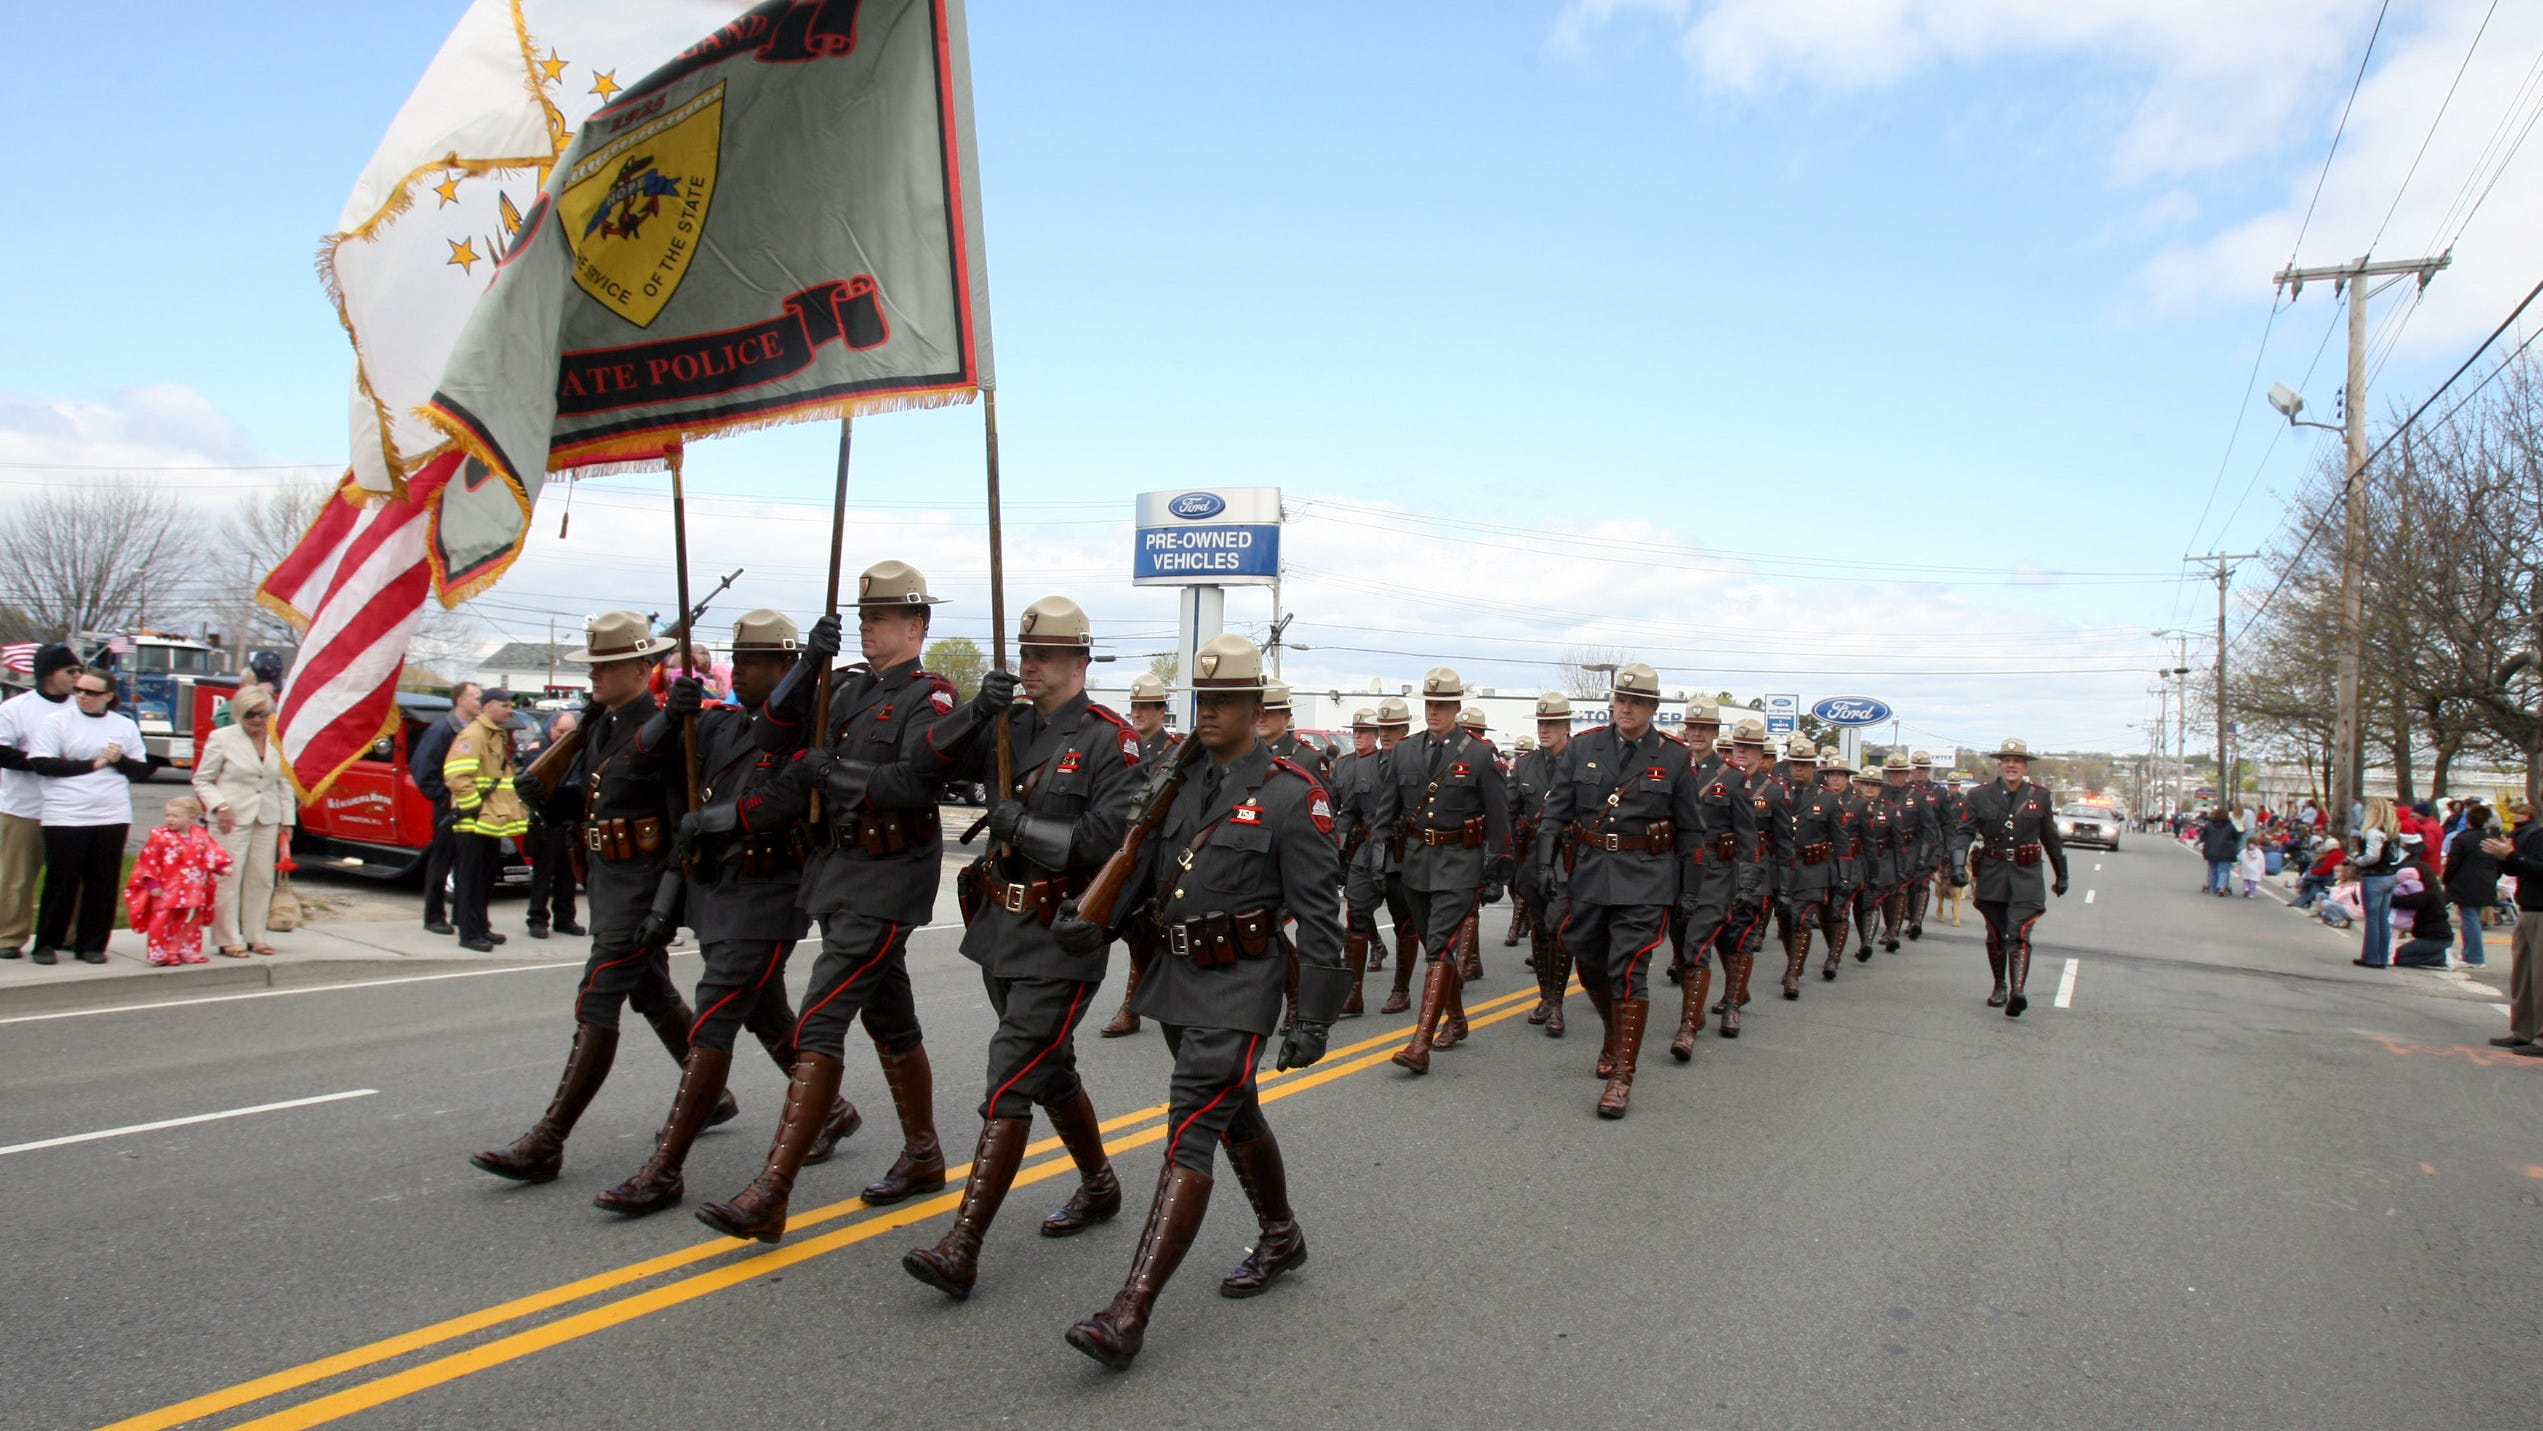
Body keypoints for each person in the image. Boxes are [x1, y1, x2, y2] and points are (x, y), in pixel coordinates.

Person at [1049, 633, 1346, 1371]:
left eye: (1221, 701)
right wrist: (1094, 922)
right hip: (1178, 982)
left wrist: (1311, 1016)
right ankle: (1281, 1234)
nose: (1206, 712)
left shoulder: (1289, 794)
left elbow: (1319, 917)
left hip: (1241, 987)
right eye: (1200, 701)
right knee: (1233, 1107)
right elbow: (1143, 875)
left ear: (1254, 707)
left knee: (1189, 1129)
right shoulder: (1176, 782)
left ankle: (1130, 1309)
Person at [695, 563, 1016, 1242]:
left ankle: (771, 1191)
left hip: (887, 876)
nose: (866, 626)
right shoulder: (840, 688)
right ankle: (924, 1153)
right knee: (889, 1017)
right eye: (862, 616)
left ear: (915, 625)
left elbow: (911, 780)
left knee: (818, 1020)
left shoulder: (928, 697)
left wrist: (834, 773)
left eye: (879, 617)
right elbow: (772, 734)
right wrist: (808, 662)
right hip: (837, 872)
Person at [902, 596, 1141, 1300]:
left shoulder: (1109, 739)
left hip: (1063, 933)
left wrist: (1022, 823)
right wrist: (977, 708)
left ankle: (962, 1243)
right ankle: (1098, 1183)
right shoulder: (1005, 725)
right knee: (1050, 1066)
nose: (1027, 665)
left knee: (1010, 1072)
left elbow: (1108, 843)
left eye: (1039, 656)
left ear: (1077, 660)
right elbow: (923, 762)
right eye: (1024, 654)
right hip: (1002, 926)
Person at [592, 609, 863, 1218]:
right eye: (736, 660)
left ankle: (666, 1167)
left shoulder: (807, 729)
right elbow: (631, 771)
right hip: (717, 892)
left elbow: (780, 796)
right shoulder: (717, 727)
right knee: (766, 1014)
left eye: (753, 661)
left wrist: (815, 662)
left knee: (710, 1022)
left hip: (767, 895)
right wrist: (671, 714)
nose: (736, 671)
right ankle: (835, 1111)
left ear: (785, 666)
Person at [473, 615, 731, 1187]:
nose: (595, 677)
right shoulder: (600, 725)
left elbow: (679, 821)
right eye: (593, 666)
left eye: (606, 667)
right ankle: (713, 1097)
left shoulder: (666, 728)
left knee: (597, 998)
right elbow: (595, 803)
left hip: (641, 891)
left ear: (643, 670)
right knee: (655, 997)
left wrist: (667, 901)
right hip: (607, 883)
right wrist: (547, 800)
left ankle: (549, 1139)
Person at [1533, 663, 1705, 1115]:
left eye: (1636, 702)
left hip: (1646, 877)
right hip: (1589, 873)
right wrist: (1546, 862)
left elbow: (1691, 830)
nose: (1626, 709)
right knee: (1589, 963)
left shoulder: (1673, 756)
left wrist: (1690, 889)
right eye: (1621, 701)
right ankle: (1613, 1034)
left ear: (1651, 708)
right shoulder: (1585, 747)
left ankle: (1622, 1078)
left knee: (1629, 971)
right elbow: (1556, 811)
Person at [1378, 666, 1512, 1074]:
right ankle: (1456, 1019)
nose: (1434, 711)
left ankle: (1420, 1044)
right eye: (1429, 704)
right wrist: (1376, 857)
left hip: (1460, 862)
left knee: (1438, 945)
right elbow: (1388, 809)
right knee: (1434, 947)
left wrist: (1496, 867)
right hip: (1416, 861)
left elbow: (1498, 815)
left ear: (1456, 707)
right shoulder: (1405, 749)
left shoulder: (1477, 753)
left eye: (1441, 705)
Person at [24, 671, 150, 964]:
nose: (82, 695)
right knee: (61, 880)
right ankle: (47, 943)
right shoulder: (58, 722)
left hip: (111, 813)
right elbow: (43, 763)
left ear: (108, 697)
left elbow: (141, 771)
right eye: (79, 690)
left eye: (91, 692)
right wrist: (95, 764)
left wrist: (119, 761)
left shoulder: (124, 725)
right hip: (65, 813)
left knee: (102, 882)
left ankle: (91, 944)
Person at [1947, 737, 2069, 1016]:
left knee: (2020, 931)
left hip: (2027, 874)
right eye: (2006, 761)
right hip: (1993, 872)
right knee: (1996, 932)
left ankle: (2017, 991)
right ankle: (2000, 984)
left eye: (2017, 761)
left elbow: (2051, 838)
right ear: (2000, 766)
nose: (2011, 765)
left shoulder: (2039, 796)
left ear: (2026, 766)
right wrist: (1957, 865)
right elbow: (1964, 831)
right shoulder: (1979, 795)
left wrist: (2062, 874)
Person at [1099, 671, 1181, 1038]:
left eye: (1146, 707)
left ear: (1162, 711)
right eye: (1134, 707)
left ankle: (1137, 1007)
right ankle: (1137, 1006)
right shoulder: (1124, 746)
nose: (1138, 713)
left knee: (1155, 929)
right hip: (1128, 850)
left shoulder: (1176, 750)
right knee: (1134, 928)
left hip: (1161, 852)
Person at [192, 684, 297, 958]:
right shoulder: (222, 738)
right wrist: (219, 806)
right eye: (251, 714)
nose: (257, 720)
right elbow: (202, 779)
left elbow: (284, 782)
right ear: (240, 714)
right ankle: (228, 938)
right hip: (231, 818)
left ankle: (256, 934)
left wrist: (288, 821)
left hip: (267, 815)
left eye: (263, 715)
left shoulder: (278, 740)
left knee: (262, 878)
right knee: (229, 878)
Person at [0, 643, 81, 959]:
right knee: (17, 878)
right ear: (49, 674)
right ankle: (8, 936)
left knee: (69, 878)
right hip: (23, 807)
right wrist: (45, 762)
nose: (78, 677)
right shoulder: (16, 709)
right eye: (71, 671)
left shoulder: (82, 707)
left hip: (70, 810)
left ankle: (68, 934)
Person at [442, 689, 528, 953]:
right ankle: (469, 933)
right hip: (473, 822)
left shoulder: (496, 734)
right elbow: (456, 776)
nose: (510, 709)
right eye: (504, 705)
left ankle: (481, 927)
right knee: (470, 880)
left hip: (490, 821)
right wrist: (474, 808)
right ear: (488, 707)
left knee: (485, 878)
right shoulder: (473, 734)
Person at [1509, 693, 1571, 1034]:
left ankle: (1558, 1003)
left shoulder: (1580, 761)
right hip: (1532, 853)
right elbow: (1511, 808)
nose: (1544, 729)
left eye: (1551, 724)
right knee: (1539, 927)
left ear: (1566, 726)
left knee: (1559, 924)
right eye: (1541, 724)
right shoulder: (1526, 764)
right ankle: (1545, 995)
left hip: (1566, 855)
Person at [411, 681, 483, 936]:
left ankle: (462, 915)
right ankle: (434, 916)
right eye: (475, 697)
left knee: (466, 864)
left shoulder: (475, 731)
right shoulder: (441, 730)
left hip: (469, 807)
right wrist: (443, 798)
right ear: (460, 700)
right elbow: (422, 768)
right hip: (449, 808)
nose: (479, 702)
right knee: (441, 861)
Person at [124, 796, 230, 966]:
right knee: (163, 920)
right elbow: (148, 861)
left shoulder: (200, 835)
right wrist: (152, 884)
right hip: (167, 888)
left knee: (191, 919)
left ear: (191, 818)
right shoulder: (160, 837)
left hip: (193, 887)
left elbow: (210, 854)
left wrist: (221, 867)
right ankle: (161, 952)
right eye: (168, 815)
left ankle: (186, 950)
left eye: (175, 816)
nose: (170, 820)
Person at [2481, 805, 2543, 1056]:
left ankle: (2539, 1036)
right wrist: (2505, 857)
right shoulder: (2536, 835)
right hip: (2529, 907)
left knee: (2540, 978)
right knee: (2524, 976)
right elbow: (2521, 869)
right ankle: (2523, 1031)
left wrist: (2513, 857)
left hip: (2539, 910)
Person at [523, 710, 585, 939]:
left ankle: (564, 918)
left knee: (568, 875)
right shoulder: (538, 750)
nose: (563, 736)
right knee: (543, 875)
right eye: (560, 731)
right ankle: (537, 919)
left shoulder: (576, 752)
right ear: (550, 729)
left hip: (569, 822)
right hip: (545, 823)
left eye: (568, 732)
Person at [2442, 800, 2502, 968]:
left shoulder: (2462, 839)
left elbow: (2453, 863)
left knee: (2469, 919)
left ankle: (2474, 956)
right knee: (2472, 917)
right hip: (2486, 882)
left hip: (2465, 882)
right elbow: (2500, 864)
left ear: (2468, 819)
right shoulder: (2491, 840)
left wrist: (2447, 879)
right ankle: (2470, 953)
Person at [2352, 798, 2404, 969]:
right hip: (2389, 875)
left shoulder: (2373, 832)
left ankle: (2371, 956)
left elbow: (2372, 856)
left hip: (2374, 876)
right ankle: (2382, 956)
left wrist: (2357, 861)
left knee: (2372, 919)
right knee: (2383, 918)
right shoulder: (2393, 832)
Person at [2389, 836, 2453, 968]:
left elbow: (2402, 901)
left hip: (2435, 939)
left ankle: (2442, 957)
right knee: (2402, 956)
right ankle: (2437, 956)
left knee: (2398, 958)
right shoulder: (2434, 893)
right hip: (2432, 938)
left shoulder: (2427, 896)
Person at [2199, 809, 2241, 896]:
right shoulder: (2230, 826)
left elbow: (2203, 836)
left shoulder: (2209, 825)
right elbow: (2236, 838)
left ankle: (2213, 888)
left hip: (2211, 851)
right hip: (2226, 852)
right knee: (2223, 870)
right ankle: (2221, 887)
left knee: (2212, 870)